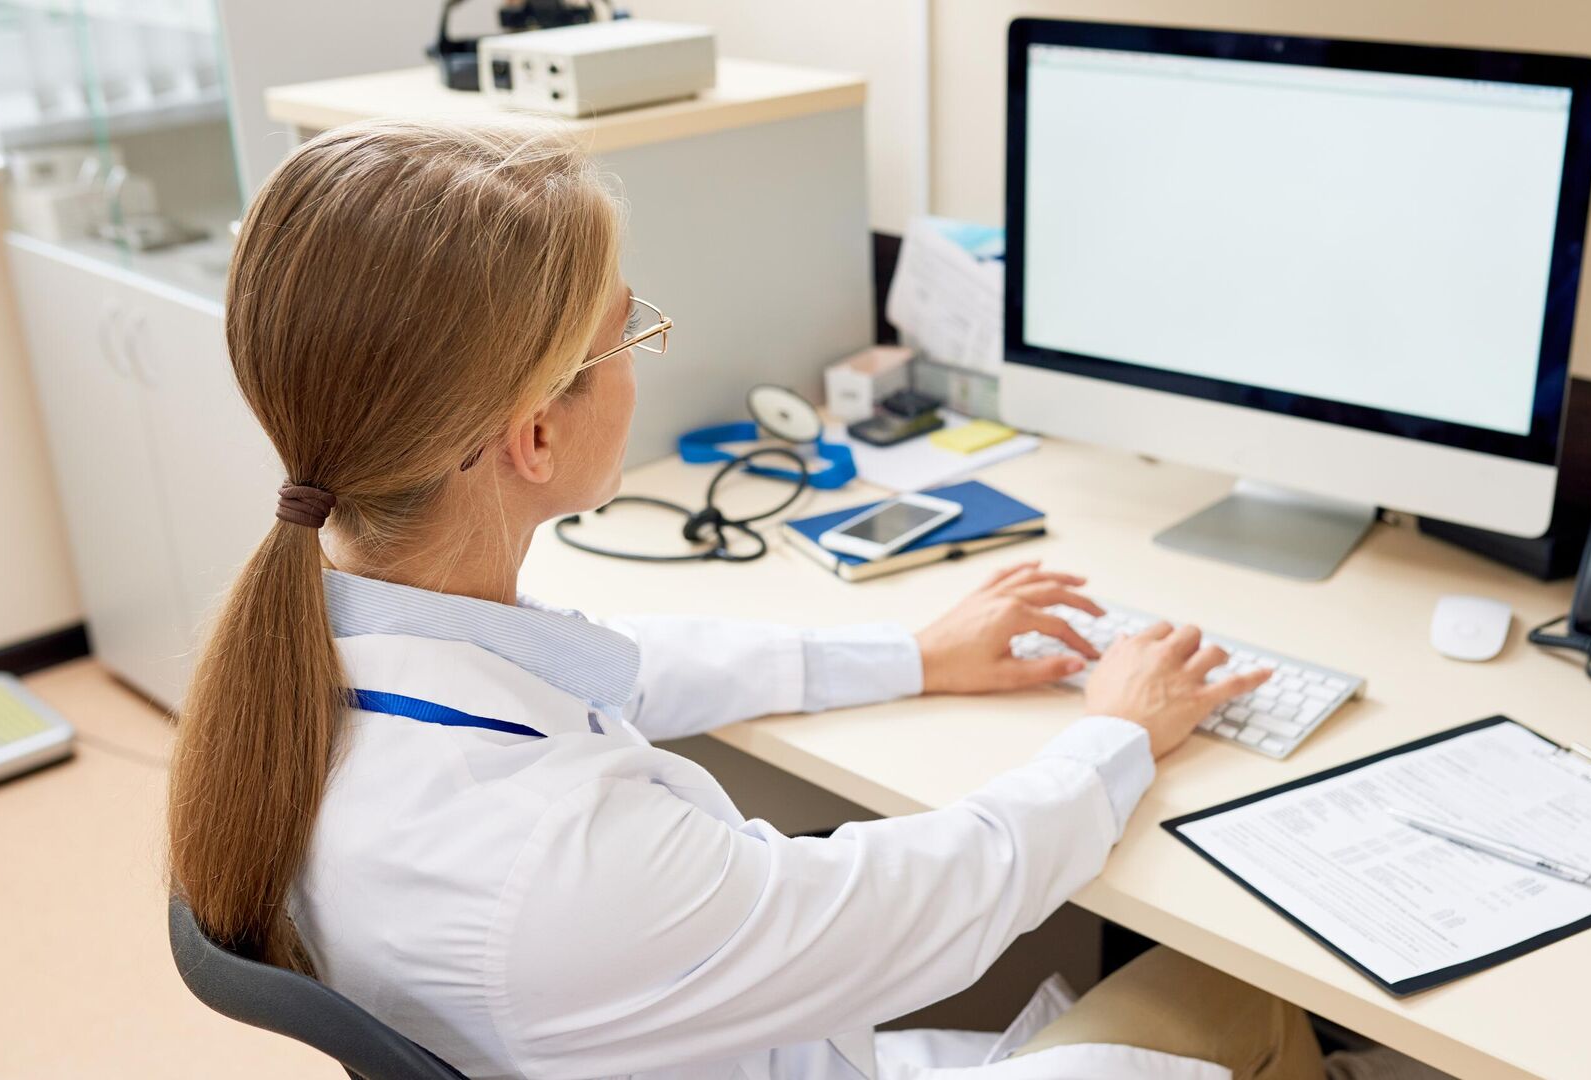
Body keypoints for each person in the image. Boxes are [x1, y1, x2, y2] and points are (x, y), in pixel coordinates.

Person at [165, 119, 1349, 1080]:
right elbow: (925, 901)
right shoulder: (556, 859)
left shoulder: (321, 657)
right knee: (1244, 997)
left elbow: (618, 666)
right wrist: (1120, 732)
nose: (643, 353)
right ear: (535, 436)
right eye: (627, 331)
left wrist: (912, 654)